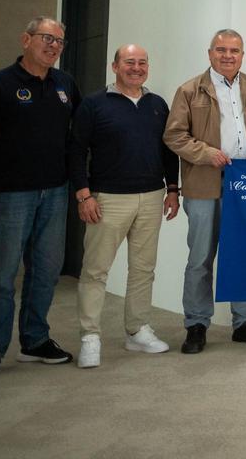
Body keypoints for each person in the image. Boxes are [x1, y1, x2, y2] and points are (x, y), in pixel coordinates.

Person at [0, 17, 81, 381]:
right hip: (8, 196)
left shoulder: (65, 84)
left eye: (60, 41)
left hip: (55, 193)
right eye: (47, 38)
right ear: (26, 39)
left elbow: (78, 138)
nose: (54, 46)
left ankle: (35, 340)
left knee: (45, 272)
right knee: (1, 276)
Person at [70, 44, 180, 368]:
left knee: (143, 269)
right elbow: (75, 151)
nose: (136, 67)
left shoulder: (157, 104)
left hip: (151, 197)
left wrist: (172, 190)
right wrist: (83, 195)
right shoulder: (93, 104)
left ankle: (137, 330)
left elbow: (168, 151)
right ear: (114, 66)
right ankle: (90, 336)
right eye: (129, 62)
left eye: (142, 62)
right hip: (107, 199)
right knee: (95, 270)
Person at [164, 29, 246, 354]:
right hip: (203, 184)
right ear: (209, 53)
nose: (228, 56)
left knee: (242, 254)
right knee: (200, 258)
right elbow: (174, 136)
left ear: (243, 55)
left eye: (234, 51)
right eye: (221, 50)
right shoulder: (189, 90)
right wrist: (205, 153)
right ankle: (196, 324)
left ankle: (244, 321)